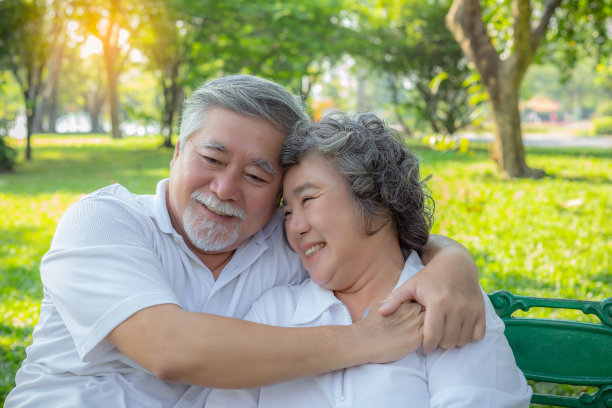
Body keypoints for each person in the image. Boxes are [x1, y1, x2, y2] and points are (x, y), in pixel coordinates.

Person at [6, 75, 485, 408]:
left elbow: (367, 236)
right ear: (176, 152)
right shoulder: (104, 222)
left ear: (280, 193)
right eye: (213, 159)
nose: (225, 189)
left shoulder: (287, 242)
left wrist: (451, 261)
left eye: (257, 175)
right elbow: (167, 349)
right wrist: (362, 340)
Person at [206, 112, 532, 408]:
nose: (295, 226)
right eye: (288, 212)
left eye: (308, 199)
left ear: (375, 199)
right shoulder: (274, 312)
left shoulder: (447, 304)